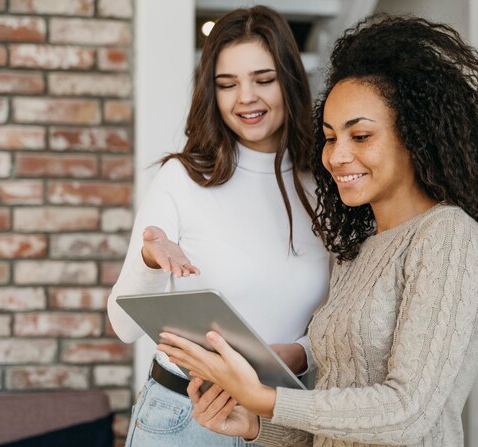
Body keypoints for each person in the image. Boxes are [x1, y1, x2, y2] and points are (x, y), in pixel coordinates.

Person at [157, 15, 478, 447]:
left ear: (415, 136)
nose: (337, 156)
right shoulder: (357, 251)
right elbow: (337, 409)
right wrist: (255, 425)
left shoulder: (448, 237)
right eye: (330, 137)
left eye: (361, 135)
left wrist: (266, 398)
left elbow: (408, 411)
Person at [106, 5, 330, 447]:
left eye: (263, 80)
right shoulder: (183, 178)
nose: (245, 98)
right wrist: (151, 260)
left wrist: (300, 353)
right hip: (183, 417)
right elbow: (123, 325)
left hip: (281, 421)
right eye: (227, 84)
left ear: (290, 80)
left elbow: (340, 313)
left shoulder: (326, 181)